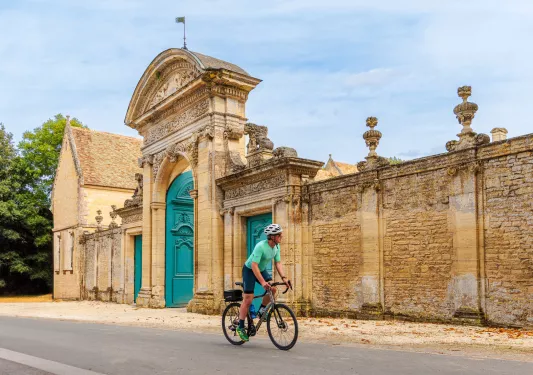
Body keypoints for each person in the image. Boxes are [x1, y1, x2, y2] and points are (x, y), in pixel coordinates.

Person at [236, 223, 290, 342]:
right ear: (272, 236)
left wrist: (284, 278)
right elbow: (254, 266)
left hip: (261, 269)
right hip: (250, 270)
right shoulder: (260, 246)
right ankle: (240, 326)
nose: (281, 236)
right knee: (248, 299)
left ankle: (261, 311)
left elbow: (278, 263)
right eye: (279, 235)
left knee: (273, 289)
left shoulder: (276, 247)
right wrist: (262, 282)